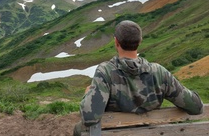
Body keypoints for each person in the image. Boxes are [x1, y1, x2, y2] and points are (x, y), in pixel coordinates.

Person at [73, 20, 204, 135]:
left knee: (79, 130)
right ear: (140, 41)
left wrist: (88, 94)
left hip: (114, 132)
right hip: (152, 132)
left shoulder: (105, 71)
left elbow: (90, 117)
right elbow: (197, 107)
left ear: (116, 42)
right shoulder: (159, 71)